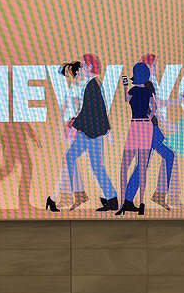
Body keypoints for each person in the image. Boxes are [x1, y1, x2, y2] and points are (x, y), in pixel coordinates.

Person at [122, 54, 180, 211]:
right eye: (154, 65)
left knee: (145, 164)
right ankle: (156, 195)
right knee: (166, 156)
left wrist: (180, 100)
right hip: (150, 129)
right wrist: (167, 124)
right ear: (148, 66)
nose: (156, 67)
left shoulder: (143, 85)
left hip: (149, 128)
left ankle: (130, 199)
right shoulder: (148, 85)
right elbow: (156, 106)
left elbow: (153, 104)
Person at [65, 53, 119, 212]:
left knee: (82, 162)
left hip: (90, 134)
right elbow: (97, 110)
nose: (79, 69)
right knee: (95, 166)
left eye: (81, 65)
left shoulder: (92, 85)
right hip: (92, 133)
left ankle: (88, 195)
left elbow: (93, 112)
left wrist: (74, 124)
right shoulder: (92, 84)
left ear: (88, 67)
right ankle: (111, 199)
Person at [46, 60, 89, 213]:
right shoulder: (77, 88)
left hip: (74, 129)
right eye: (83, 69)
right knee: (69, 163)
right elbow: (73, 111)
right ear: (78, 72)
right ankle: (54, 198)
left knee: (71, 163)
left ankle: (68, 196)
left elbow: (66, 109)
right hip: (75, 129)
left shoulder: (75, 88)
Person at [117, 61, 158, 216]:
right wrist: (150, 115)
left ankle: (123, 204)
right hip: (145, 127)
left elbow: (126, 100)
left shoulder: (133, 90)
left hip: (135, 126)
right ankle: (141, 203)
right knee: (141, 168)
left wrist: (124, 86)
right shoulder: (148, 91)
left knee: (124, 167)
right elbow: (154, 108)